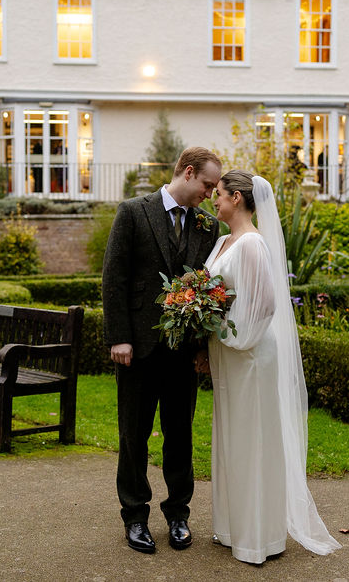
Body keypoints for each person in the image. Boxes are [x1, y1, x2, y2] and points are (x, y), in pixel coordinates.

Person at [201, 171, 341, 565]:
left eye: (221, 195)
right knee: (232, 438)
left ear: (239, 199)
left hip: (250, 354)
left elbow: (262, 305)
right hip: (229, 353)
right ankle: (232, 527)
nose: (215, 200)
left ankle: (259, 538)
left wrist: (230, 338)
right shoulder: (222, 241)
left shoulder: (253, 245)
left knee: (254, 439)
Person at [102, 147, 222, 555]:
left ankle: (178, 515)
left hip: (183, 353)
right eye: (207, 184)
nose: (210, 193)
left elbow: (210, 290)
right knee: (133, 436)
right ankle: (135, 517)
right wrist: (119, 336)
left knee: (180, 435)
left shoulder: (208, 227)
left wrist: (204, 348)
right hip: (136, 348)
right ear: (188, 173)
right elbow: (113, 277)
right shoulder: (134, 211)